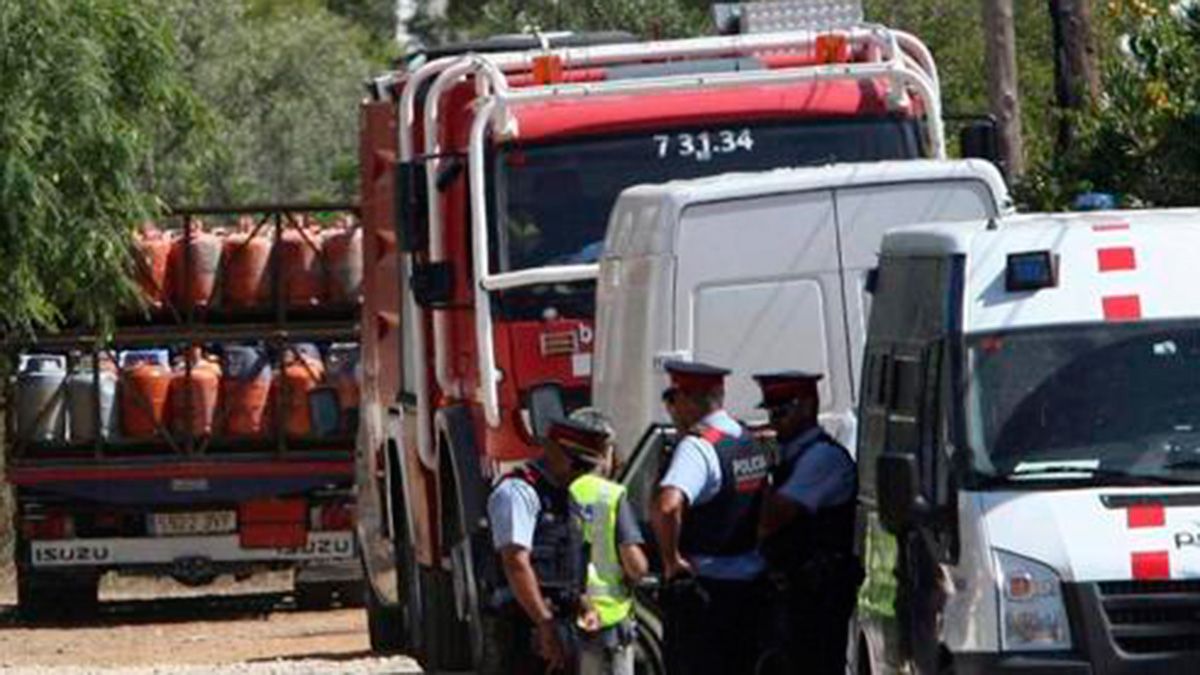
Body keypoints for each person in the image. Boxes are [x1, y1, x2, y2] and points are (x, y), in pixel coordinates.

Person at [651, 361, 772, 675]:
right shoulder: (746, 440)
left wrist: (671, 559)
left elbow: (667, 506)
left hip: (707, 596)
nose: (671, 411)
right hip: (751, 592)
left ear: (687, 400)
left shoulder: (698, 447)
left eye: (671, 400)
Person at [753, 371, 862, 675]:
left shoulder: (821, 459)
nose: (775, 421)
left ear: (808, 406)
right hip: (795, 593)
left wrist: (755, 470)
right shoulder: (794, 456)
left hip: (818, 593)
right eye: (771, 412)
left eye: (782, 411)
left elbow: (770, 519)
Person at [487, 415, 588, 673]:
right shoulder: (518, 492)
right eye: (578, 464)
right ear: (553, 449)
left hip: (562, 621)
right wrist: (543, 622)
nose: (582, 474)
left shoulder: (568, 495)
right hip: (525, 622)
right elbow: (515, 563)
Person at [558, 410, 649, 675]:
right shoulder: (610, 495)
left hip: (562, 615)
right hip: (608, 619)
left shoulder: (558, 491)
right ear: (605, 450)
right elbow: (635, 564)